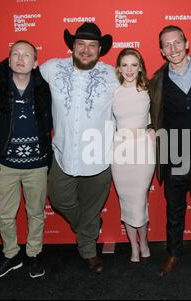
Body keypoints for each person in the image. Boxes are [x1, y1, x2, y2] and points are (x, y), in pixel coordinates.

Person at [41, 22, 119, 274]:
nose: (86, 50)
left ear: (100, 49)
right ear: (72, 46)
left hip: (99, 156)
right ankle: (90, 225)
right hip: (63, 153)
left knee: (92, 205)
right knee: (59, 198)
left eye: (92, 45)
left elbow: (138, 95)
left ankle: (88, 250)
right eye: (81, 44)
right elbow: (20, 74)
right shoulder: (52, 68)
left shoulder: (112, 75)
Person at [0, 40, 53, 279]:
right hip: (5, 166)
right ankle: (11, 255)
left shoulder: (45, 90)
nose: (20, 59)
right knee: (6, 215)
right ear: (8, 61)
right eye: (15, 54)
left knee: (36, 212)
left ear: (35, 62)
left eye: (26, 55)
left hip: (37, 165)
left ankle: (34, 254)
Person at [149, 25, 191, 287]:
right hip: (172, 152)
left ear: (187, 43)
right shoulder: (156, 81)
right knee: (174, 211)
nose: (173, 48)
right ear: (162, 51)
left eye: (177, 42)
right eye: (167, 45)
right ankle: (174, 253)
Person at [111, 48, 155, 263]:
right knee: (126, 201)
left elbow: (160, 114)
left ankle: (144, 241)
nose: (129, 69)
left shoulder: (149, 89)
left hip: (143, 149)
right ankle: (134, 247)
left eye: (134, 65)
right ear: (119, 68)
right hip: (120, 149)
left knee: (139, 199)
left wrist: (154, 128)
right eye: (125, 65)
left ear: (140, 67)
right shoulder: (113, 90)